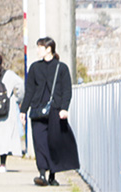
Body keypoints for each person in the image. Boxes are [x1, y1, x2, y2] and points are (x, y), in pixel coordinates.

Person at [20, 36, 80, 187]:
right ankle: (42, 173)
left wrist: (64, 108)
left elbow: (67, 90)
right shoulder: (34, 68)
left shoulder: (62, 68)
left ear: (49, 49)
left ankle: (52, 175)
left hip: (55, 111)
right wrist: (23, 110)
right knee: (39, 143)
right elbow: (29, 91)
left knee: (53, 142)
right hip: (37, 110)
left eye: (40, 47)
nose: (38, 50)